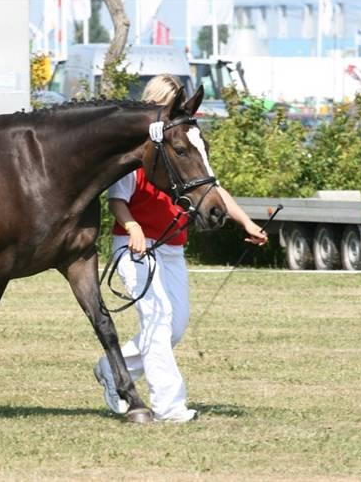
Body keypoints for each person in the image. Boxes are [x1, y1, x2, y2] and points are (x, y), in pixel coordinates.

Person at [93, 74, 268, 423]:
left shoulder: (184, 145)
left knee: (174, 327)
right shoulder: (137, 154)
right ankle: (170, 406)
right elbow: (117, 201)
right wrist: (132, 227)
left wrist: (247, 223)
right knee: (157, 321)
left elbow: (212, 189)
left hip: (172, 247)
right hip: (137, 248)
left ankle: (113, 369)